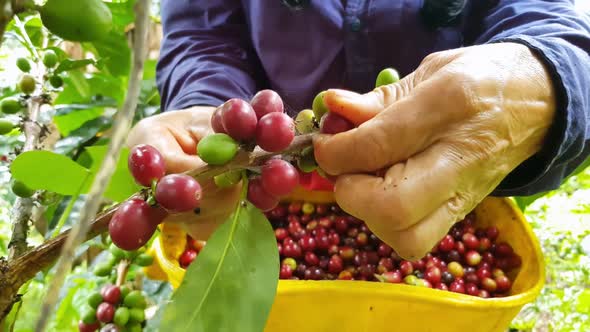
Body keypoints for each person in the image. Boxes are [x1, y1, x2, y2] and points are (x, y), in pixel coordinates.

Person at [127, 0, 590, 260]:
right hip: (273, 193)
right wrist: (204, 110)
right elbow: (205, 36)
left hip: (454, 193)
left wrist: (543, 83)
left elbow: (558, 32)